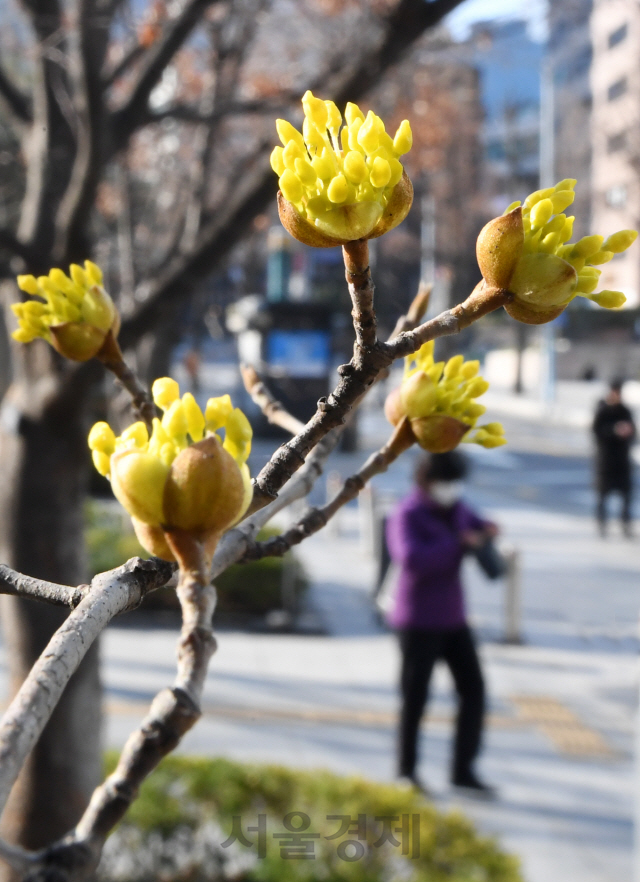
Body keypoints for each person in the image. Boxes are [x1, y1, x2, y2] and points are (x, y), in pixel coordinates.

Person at [385, 451, 497, 796]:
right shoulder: (407, 513)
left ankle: (463, 769)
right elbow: (411, 558)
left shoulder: (458, 508)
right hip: (417, 619)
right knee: (415, 697)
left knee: (474, 691)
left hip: (453, 617)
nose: (452, 489)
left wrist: (486, 531)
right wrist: (456, 544)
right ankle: (407, 770)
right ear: (427, 481)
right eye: (446, 482)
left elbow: (475, 525)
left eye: (455, 482)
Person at [592, 378, 636, 537]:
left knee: (626, 495)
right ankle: (602, 523)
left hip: (622, 461)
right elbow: (596, 432)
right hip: (606, 461)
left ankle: (625, 523)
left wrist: (627, 433)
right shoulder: (602, 411)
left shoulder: (625, 411)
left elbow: (633, 433)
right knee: (602, 496)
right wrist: (613, 431)